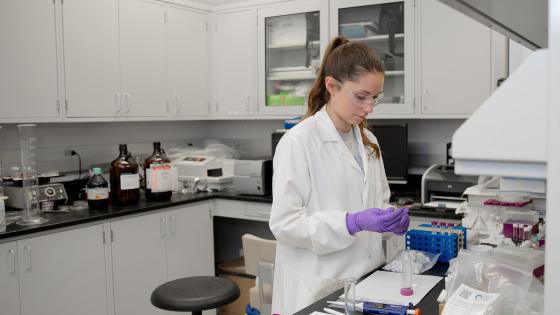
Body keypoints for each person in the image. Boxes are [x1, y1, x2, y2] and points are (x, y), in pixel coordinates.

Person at [269, 36, 410, 314]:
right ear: (332, 86)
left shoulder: (368, 140)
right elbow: (284, 225)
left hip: (366, 279)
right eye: (360, 96)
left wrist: (390, 218)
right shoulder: (299, 141)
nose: (369, 107)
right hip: (318, 287)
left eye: (375, 98)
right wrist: (350, 222)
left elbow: (377, 200)